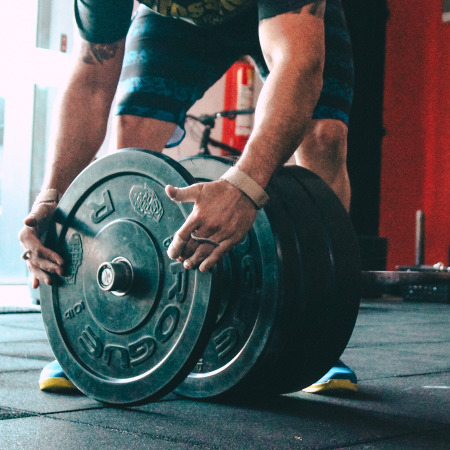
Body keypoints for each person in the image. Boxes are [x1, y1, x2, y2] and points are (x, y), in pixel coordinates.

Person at [19, 0, 357, 394]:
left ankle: (318, 340)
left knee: (324, 136)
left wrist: (245, 187)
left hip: (287, 18)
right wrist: (51, 197)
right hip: (177, 23)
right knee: (134, 130)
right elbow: (92, 78)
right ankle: (110, 331)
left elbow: (297, 65)